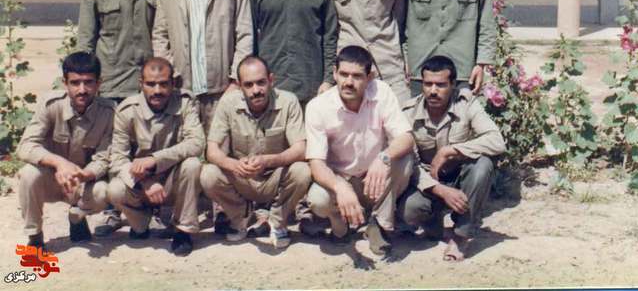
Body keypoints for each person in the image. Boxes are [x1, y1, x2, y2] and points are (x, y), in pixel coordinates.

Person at [77, 0, 161, 237]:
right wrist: (85, 82)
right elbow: (86, 40)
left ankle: (152, 207)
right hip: (111, 81)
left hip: (147, 83)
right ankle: (114, 210)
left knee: (148, 144)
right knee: (113, 149)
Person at [305, 45, 414, 255]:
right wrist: (340, 187)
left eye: (357, 76)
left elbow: (406, 138)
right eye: (343, 74)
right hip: (342, 179)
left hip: (375, 180)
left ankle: (378, 223)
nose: (348, 82)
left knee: (404, 160)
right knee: (318, 200)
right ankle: (340, 224)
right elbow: (316, 164)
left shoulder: (382, 92)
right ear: (334, 73)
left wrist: (383, 158)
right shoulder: (318, 107)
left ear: (369, 77)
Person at [398, 55, 506, 261]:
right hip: (429, 181)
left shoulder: (466, 103)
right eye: (428, 84)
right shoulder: (408, 112)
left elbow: (496, 141)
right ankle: (434, 224)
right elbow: (410, 164)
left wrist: (451, 151)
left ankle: (461, 235)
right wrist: (439, 190)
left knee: (482, 165)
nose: (433, 91)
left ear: (453, 84)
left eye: (440, 85)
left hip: (460, 177)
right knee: (409, 210)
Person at [152, 0, 253, 135]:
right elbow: (160, 35)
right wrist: (171, 75)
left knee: (221, 149)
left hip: (222, 91)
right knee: (186, 149)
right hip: (182, 91)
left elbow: (245, 34)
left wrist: (236, 80)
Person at [200, 56, 311, 249]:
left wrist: (269, 161)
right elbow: (212, 150)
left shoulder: (288, 101)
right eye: (248, 85)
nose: (256, 90)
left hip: (276, 177)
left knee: (302, 171)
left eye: (261, 82)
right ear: (240, 86)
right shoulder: (228, 103)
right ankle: (241, 217)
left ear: (271, 80)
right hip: (243, 176)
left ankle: (277, 221)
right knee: (208, 174)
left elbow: (301, 149)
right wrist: (234, 165)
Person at [107, 58, 205, 256]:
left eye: (163, 84)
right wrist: (145, 182)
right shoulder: (127, 111)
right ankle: (141, 224)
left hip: (172, 181)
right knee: (114, 189)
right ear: (141, 83)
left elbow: (197, 142)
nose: (157, 90)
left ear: (173, 83)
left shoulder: (185, 103)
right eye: (151, 84)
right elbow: (117, 160)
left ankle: (183, 230)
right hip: (141, 184)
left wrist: (155, 160)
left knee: (193, 165)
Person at [16, 52, 115, 248]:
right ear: (65, 83)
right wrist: (59, 163)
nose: (82, 90)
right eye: (75, 83)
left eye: (88, 82)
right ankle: (34, 236)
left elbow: (104, 157)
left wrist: (85, 174)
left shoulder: (109, 112)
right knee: (28, 174)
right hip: (52, 179)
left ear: (99, 83)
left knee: (104, 191)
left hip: (82, 182)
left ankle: (77, 216)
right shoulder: (51, 105)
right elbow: (26, 145)